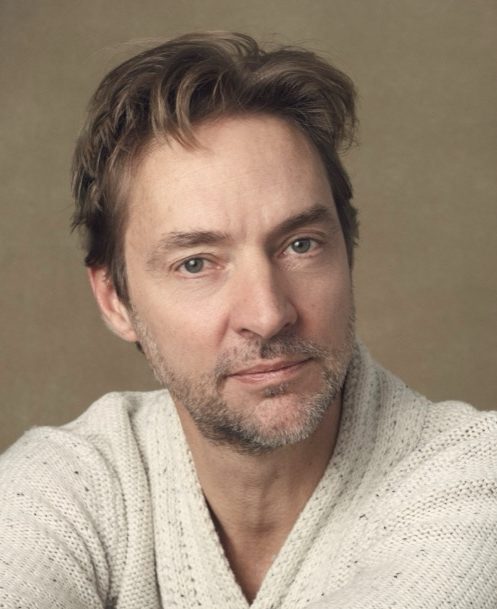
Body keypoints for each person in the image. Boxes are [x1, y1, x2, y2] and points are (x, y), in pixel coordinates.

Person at [0, 31, 496, 609]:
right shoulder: (64, 486)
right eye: (195, 263)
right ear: (115, 300)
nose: (268, 314)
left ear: (348, 250)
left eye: (301, 244)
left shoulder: (475, 474)